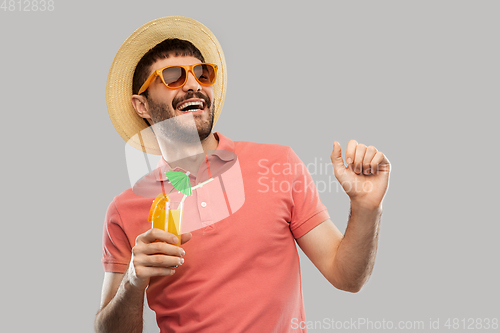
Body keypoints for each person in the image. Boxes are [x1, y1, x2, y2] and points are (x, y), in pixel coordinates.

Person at [95, 16, 391, 333]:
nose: (193, 84)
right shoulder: (125, 210)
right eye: (172, 77)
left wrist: (366, 208)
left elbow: (346, 276)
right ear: (141, 105)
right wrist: (133, 281)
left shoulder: (277, 164)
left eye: (202, 74)